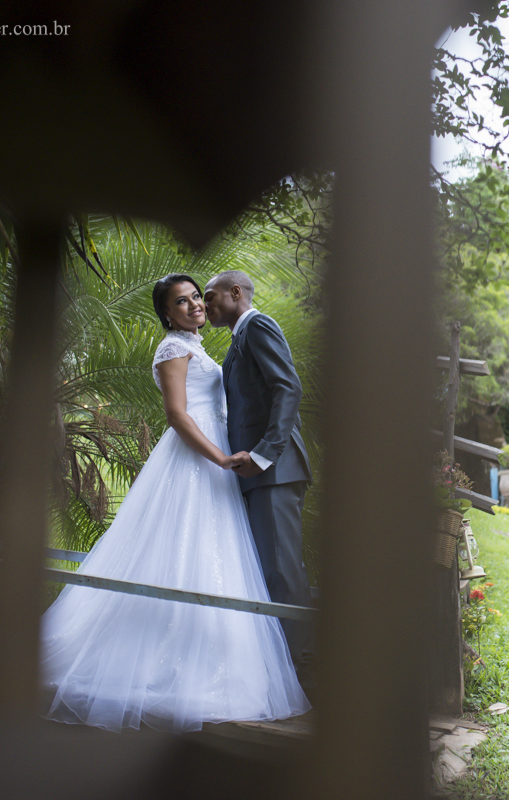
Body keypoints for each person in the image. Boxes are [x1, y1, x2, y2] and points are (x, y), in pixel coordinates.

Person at [0, 274, 310, 733]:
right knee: (184, 551)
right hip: (201, 461)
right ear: (167, 314)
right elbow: (177, 415)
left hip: (224, 465)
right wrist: (220, 458)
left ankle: (218, 659)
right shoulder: (173, 350)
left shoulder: (214, 345)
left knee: (216, 557)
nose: (195, 304)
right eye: (184, 300)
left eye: (198, 296)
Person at [202, 270, 316, 697]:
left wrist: (265, 454)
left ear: (236, 293)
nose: (206, 305)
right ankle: (283, 669)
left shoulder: (259, 326)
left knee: (283, 572)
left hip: (275, 471)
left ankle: (306, 673)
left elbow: (288, 387)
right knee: (269, 572)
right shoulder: (237, 341)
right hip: (257, 476)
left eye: (211, 297)